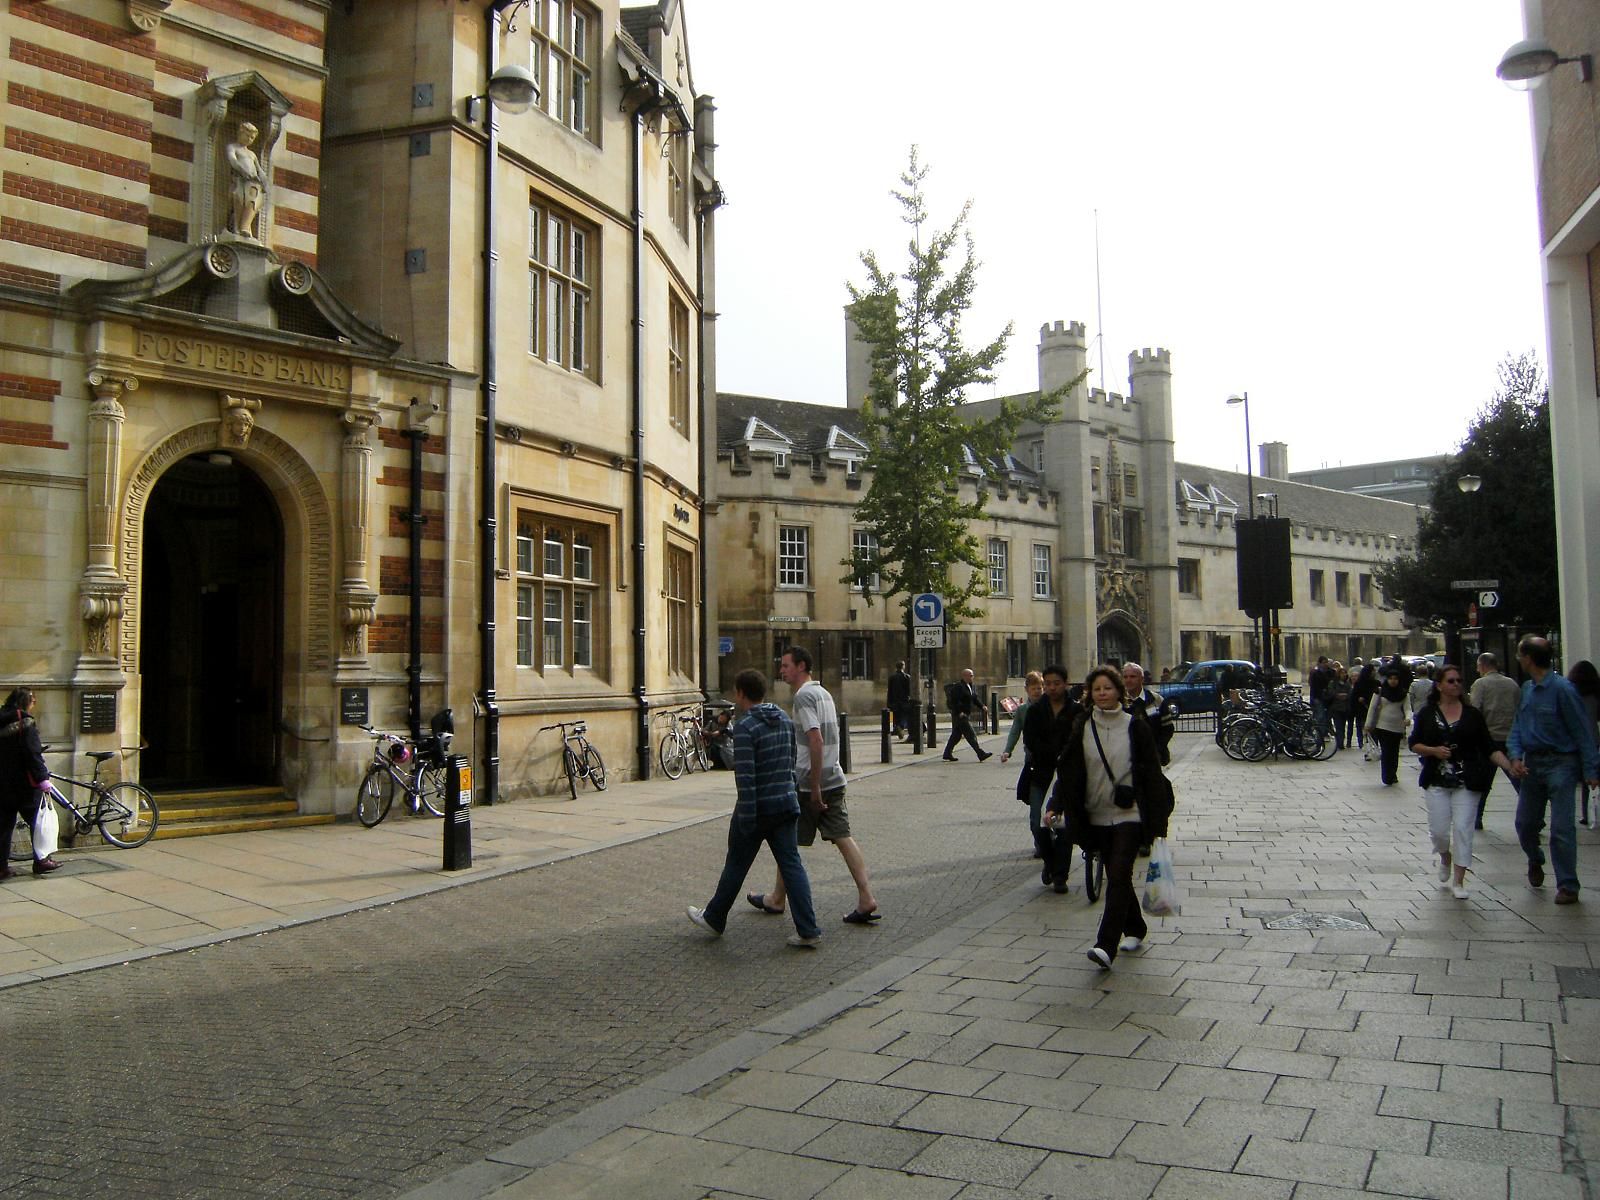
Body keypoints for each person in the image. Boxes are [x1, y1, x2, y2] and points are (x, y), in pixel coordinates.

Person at [1046, 666, 1173, 970]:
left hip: (1129, 813)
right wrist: (1056, 803)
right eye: (1097, 689)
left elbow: (1152, 775)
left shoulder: (1135, 726)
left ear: (1119, 691)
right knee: (1119, 877)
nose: (1102, 694)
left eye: (1108, 688)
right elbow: (1070, 771)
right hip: (1095, 813)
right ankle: (1137, 928)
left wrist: (1157, 822)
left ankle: (1105, 945)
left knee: (1117, 874)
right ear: (1090, 693)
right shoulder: (1082, 726)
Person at [687, 670, 821, 947]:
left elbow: (745, 776)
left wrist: (746, 818)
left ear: (740, 693)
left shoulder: (746, 727)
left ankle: (714, 918)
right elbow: (791, 762)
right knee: (792, 865)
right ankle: (808, 930)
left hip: (758, 807)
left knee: (736, 863)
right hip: (785, 803)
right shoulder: (784, 719)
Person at [750, 647, 879, 926]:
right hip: (835, 776)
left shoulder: (804, 696)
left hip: (811, 783)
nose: (781, 670)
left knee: (788, 843)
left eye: (786, 665)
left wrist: (815, 786)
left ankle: (779, 901)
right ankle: (865, 896)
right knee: (842, 837)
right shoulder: (823, 693)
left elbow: (816, 739)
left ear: (801, 666)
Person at [1508, 636, 1600, 905]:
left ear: (1528, 658)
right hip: (1532, 764)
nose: (1519, 660)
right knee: (1525, 824)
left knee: (1561, 827)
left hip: (1561, 762)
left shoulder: (1563, 690)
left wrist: (1591, 769)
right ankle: (1535, 858)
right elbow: (1518, 728)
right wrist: (1515, 756)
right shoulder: (1526, 689)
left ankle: (1567, 884)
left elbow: (1582, 731)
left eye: (1520, 655)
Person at [1409, 664, 1508, 899]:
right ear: (1439, 685)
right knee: (1439, 831)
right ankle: (1445, 856)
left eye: (1459, 680)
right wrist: (1433, 750)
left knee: (1464, 829)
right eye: (1451, 681)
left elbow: (1488, 746)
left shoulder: (1472, 714)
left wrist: (1510, 766)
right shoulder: (1427, 713)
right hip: (1437, 779)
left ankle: (1460, 881)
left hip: (1468, 779)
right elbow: (1414, 743)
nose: (1456, 685)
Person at [1022, 664, 1077, 890]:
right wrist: (1048, 753)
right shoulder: (1036, 710)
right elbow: (1030, 739)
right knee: (1037, 822)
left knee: (1064, 825)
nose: (1052, 688)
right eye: (1048, 684)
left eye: (1057, 683)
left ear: (1065, 684)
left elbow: (1078, 739)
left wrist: (1065, 755)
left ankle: (1060, 875)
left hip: (1067, 772)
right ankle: (1049, 860)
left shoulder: (1075, 711)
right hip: (1041, 770)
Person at [0, 688, 61, 877]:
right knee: (38, 822)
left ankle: (1, 867)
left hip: (2, 784)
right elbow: (31, 753)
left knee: (3, 827)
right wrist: (42, 778)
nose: (34, 705)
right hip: (24, 784)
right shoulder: (25, 722)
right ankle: (41, 861)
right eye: (33, 701)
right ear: (27, 701)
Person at [1469, 651, 1521, 830]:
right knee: (1517, 777)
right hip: (1510, 738)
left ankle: (1477, 817)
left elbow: (1474, 711)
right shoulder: (1512, 684)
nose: (1477, 670)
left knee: (1483, 782)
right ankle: (1532, 812)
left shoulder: (1480, 684)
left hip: (1488, 740)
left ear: (1483, 665)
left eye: (1477, 666)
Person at [1001, 670, 1045, 812]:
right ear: (1026, 690)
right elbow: (1015, 731)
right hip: (1031, 758)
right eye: (1033, 688)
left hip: (1049, 758)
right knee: (1033, 797)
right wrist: (1008, 750)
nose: (1037, 691)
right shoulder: (1022, 710)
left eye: (1039, 688)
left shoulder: (1050, 707)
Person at [1122, 662, 1176, 767]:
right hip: (1126, 760)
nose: (1128, 680)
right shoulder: (1118, 702)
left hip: (1154, 758)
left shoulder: (1156, 700)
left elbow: (1168, 728)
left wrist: (1157, 749)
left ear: (1141, 679)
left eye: (1133, 676)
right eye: (1125, 677)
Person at [1364, 666, 1412, 786]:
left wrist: (1408, 719)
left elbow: (1408, 709)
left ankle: (1393, 774)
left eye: (1395, 678)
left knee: (1394, 752)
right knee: (1386, 751)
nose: (1393, 681)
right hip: (1382, 726)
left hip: (1397, 727)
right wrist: (1368, 724)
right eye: (1390, 678)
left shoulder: (1404, 694)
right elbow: (1372, 708)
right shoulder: (1380, 691)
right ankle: (1386, 776)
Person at [1567, 660, 1600, 826]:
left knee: (1571, 779)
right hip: (1592, 739)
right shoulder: (1595, 695)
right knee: (1591, 777)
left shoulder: (1571, 693)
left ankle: (1580, 814)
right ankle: (1591, 813)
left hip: (1573, 741)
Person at [225, 121, 267, 240]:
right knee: (239, 199)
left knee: (253, 201)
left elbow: (259, 169)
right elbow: (233, 161)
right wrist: (244, 171)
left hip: (253, 182)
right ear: (240, 133)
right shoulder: (233, 147)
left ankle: (245, 226)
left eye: (252, 137)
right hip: (239, 179)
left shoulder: (252, 154)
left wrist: (263, 178)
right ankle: (238, 227)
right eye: (247, 135)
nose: (249, 139)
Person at [941, 668, 992, 762]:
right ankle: (980, 753)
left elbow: (974, 698)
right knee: (971, 734)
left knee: (956, 735)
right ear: (965, 676)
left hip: (965, 714)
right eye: (971, 675)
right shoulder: (959, 687)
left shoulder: (969, 686)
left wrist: (982, 706)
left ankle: (947, 753)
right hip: (961, 715)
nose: (973, 677)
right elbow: (954, 701)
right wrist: (959, 712)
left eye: (972, 675)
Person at [1327, 663, 1355, 751]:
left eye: (1345, 673)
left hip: (1345, 708)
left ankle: (1341, 741)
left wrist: (1346, 696)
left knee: (1342, 727)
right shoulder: (1333, 683)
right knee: (1338, 726)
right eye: (1342, 673)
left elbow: (1351, 693)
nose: (1344, 675)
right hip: (1336, 708)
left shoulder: (1347, 684)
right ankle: (1340, 743)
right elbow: (1330, 693)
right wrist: (1337, 695)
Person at [1351, 663, 1378, 751]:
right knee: (1363, 728)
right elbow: (1354, 697)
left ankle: (1370, 745)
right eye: (1373, 670)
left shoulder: (1375, 683)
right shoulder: (1360, 683)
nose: (1375, 672)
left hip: (1368, 709)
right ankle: (1364, 744)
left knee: (1369, 730)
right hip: (1363, 709)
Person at [887, 660, 913, 741]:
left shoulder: (892, 677)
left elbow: (889, 691)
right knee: (905, 716)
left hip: (894, 701)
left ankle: (896, 728)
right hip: (904, 700)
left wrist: (889, 702)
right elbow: (909, 690)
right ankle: (901, 727)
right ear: (903, 666)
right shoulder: (907, 677)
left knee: (895, 716)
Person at [1308, 656, 1334, 735]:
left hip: (1328, 698)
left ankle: (1324, 731)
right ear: (1319, 663)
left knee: (1326, 716)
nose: (1325, 664)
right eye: (1323, 662)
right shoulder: (1315, 673)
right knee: (1320, 716)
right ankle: (1320, 735)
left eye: (1326, 662)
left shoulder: (1331, 672)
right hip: (1318, 697)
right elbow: (1313, 685)